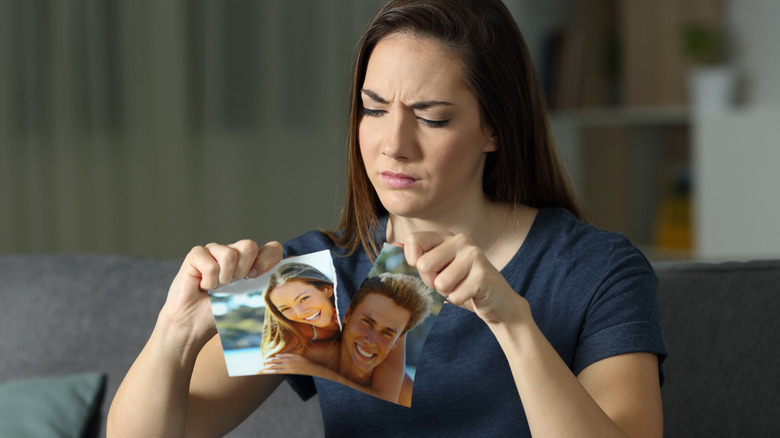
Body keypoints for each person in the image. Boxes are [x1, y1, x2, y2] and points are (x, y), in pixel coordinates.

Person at [108, 0, 667, 436]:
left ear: (494, 128)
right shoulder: (318, 278)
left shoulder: (593, 269)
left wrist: (513, 324)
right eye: (374, 110)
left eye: (432, 118)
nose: (392, 145)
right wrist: (174, 336)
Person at [261, 272, 433, 406]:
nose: (371, 341)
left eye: (387, 333)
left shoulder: (403, 387)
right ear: (347, 315)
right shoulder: (305, 353)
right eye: (367, 322)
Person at [260, 262, 340, 358]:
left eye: (304, 299)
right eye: (285, 308)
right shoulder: (296, 329)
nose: (300, 313)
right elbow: (274, 364)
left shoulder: (354, 305)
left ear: (327, 289)